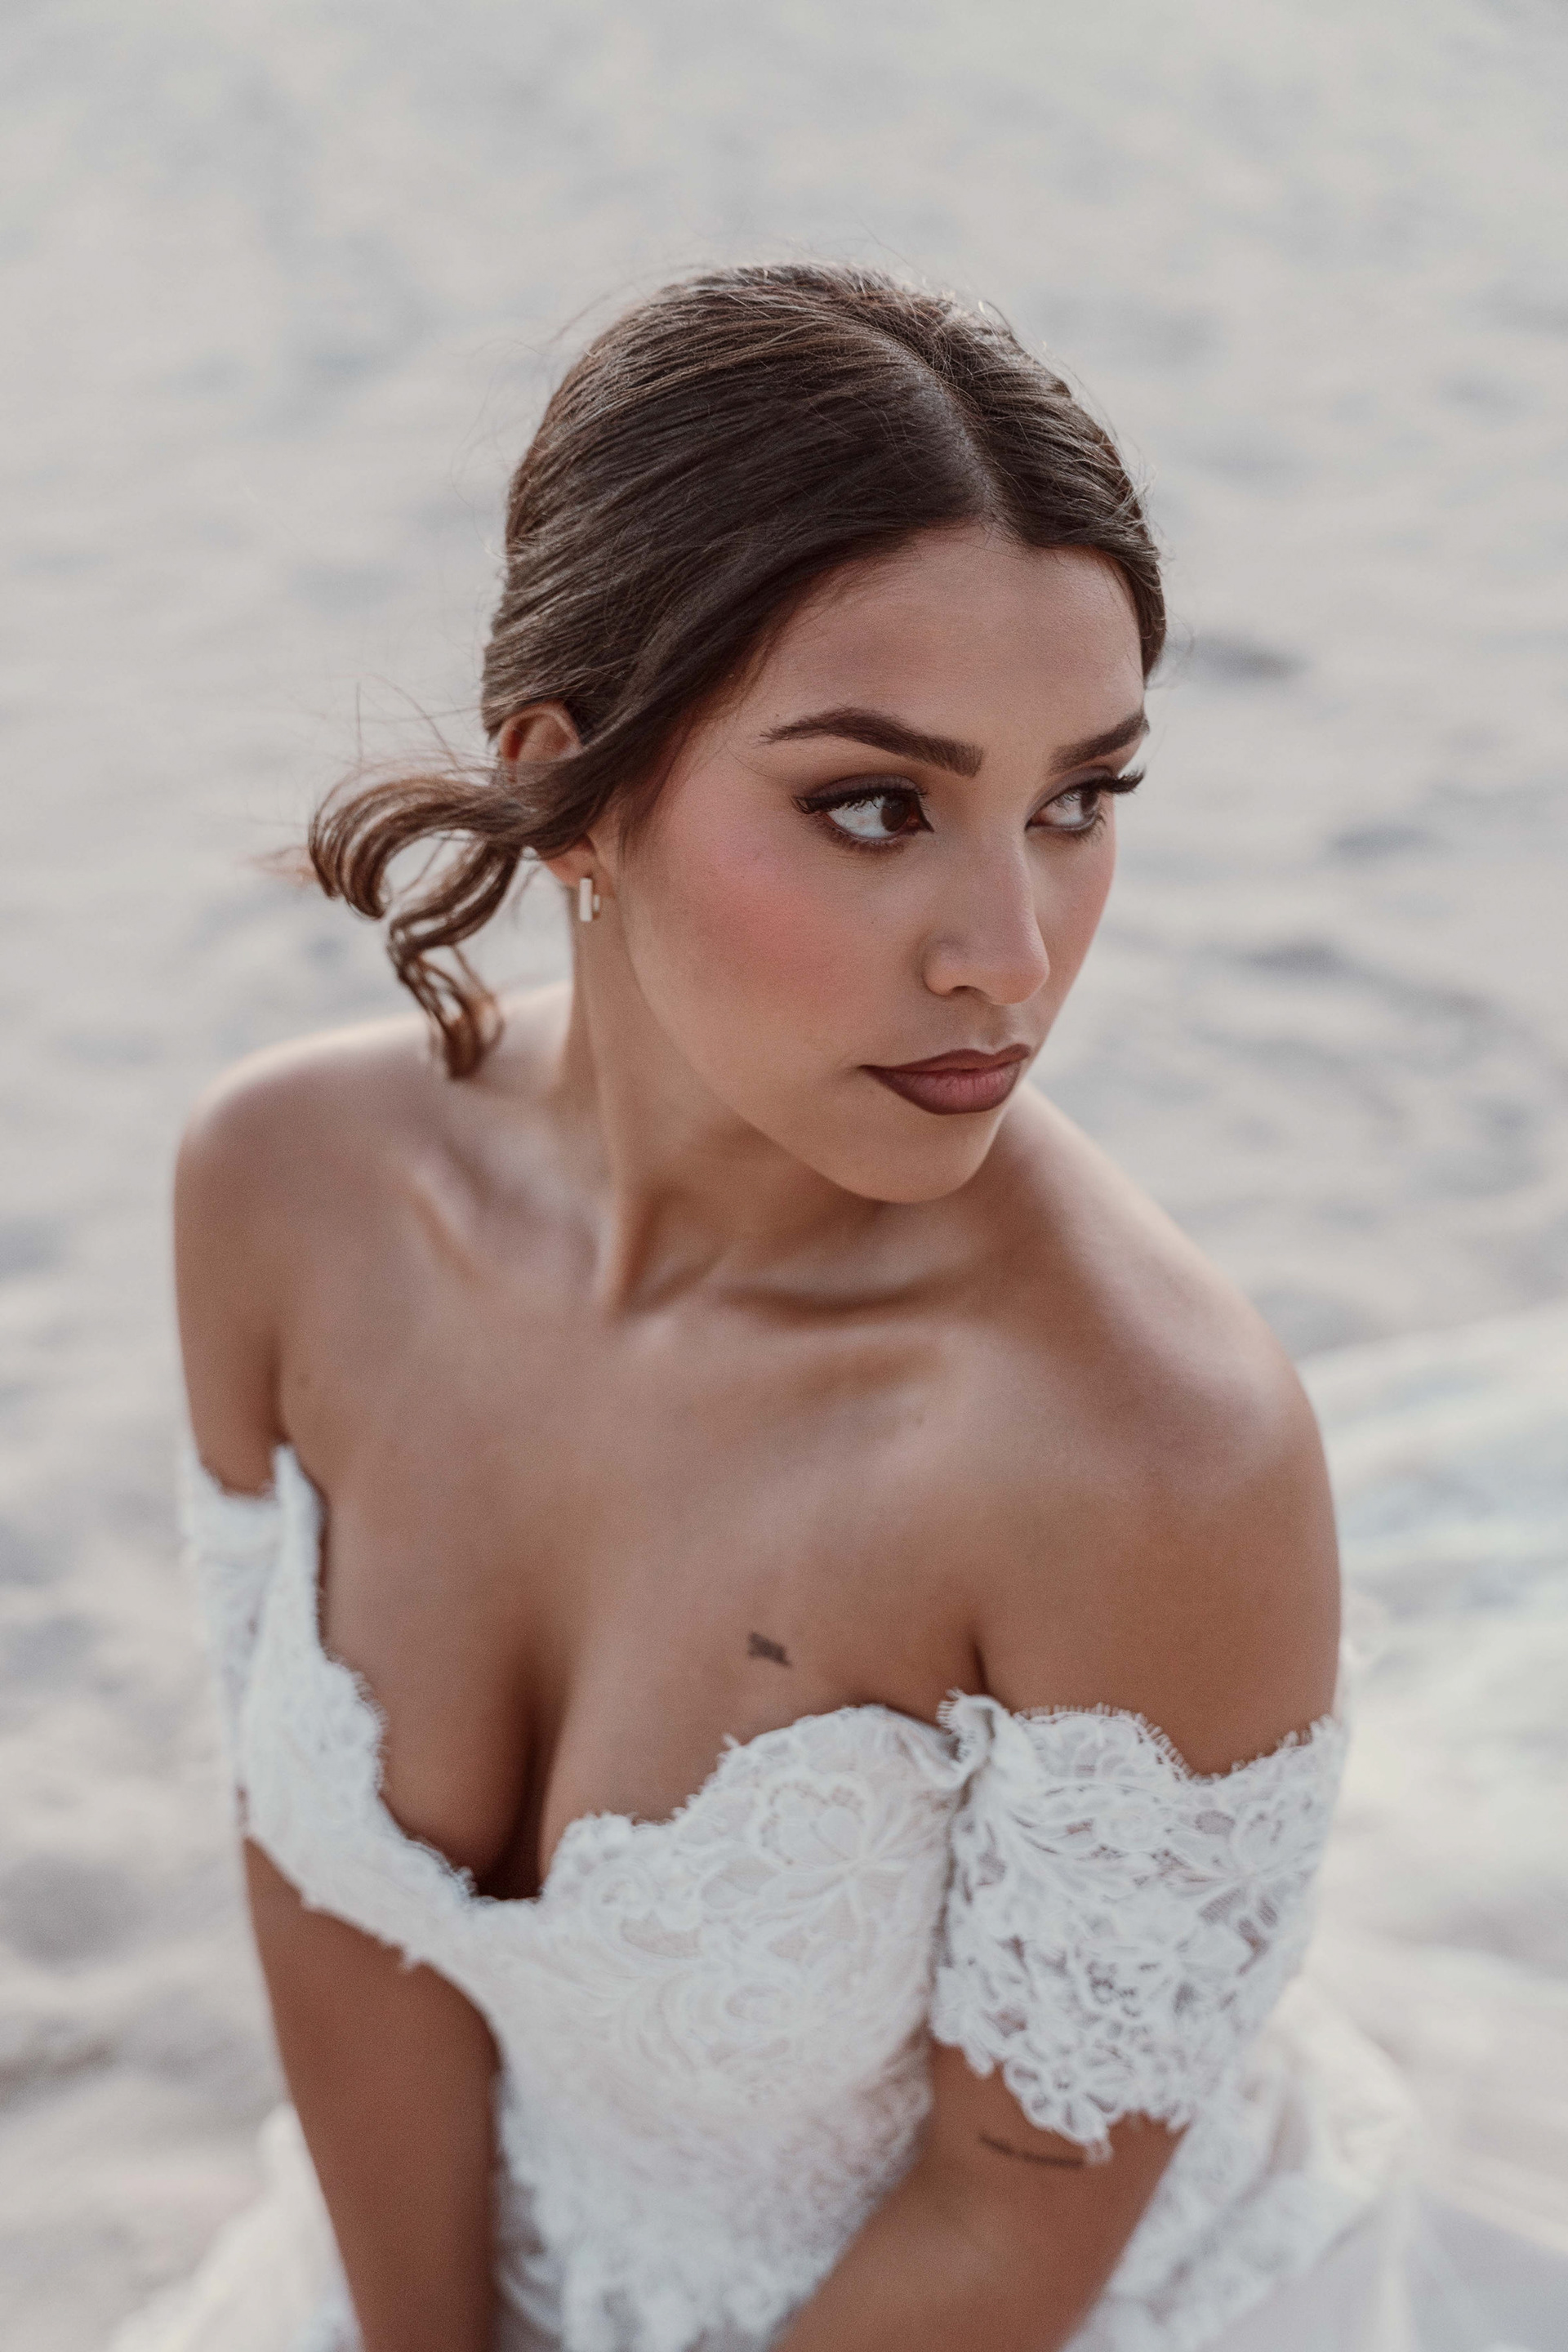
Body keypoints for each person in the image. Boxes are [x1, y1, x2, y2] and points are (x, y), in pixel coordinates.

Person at [140, 263, 1417, 2352]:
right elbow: (327, 1901)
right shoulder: (289, 1194)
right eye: (876, 805)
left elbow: (1010, 2223)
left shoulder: (1147, 1455)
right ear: (575, 783)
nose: (1012, 952)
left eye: (1081, 798)